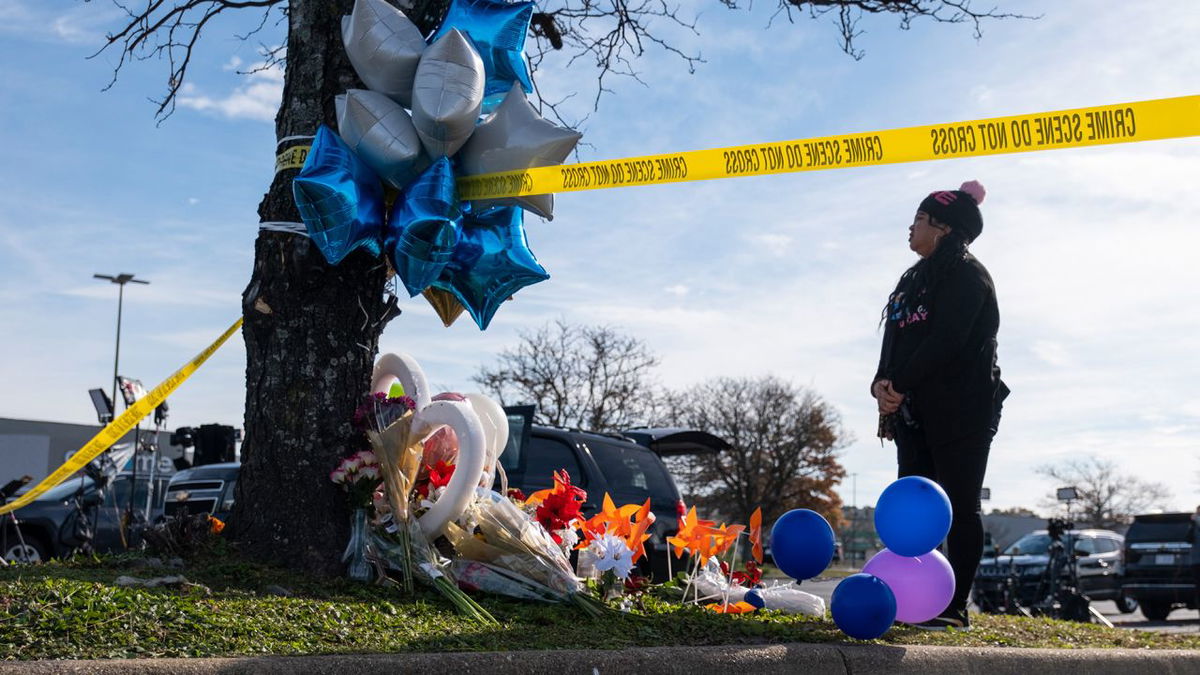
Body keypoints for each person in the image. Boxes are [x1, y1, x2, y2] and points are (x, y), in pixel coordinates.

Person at [871, 180, 1009, 630]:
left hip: (964, 410)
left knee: (959, 506)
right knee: (915, 504)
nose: (910, 227)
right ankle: (915, 601)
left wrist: (902, 382)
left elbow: (946, 341)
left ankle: (954, 608)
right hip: (914, 412)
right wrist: (881, 385)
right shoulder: (911, 280)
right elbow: (895, 337)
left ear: (944, 228)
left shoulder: (969, 276)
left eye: (919, 219)